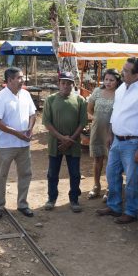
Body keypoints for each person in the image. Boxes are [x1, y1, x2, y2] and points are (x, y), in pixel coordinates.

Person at [96, 57, 138, 224]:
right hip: (117, 139)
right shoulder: (123, 87)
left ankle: (131, 211)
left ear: (136, 75)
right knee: (112, 173)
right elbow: (115, 112)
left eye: (125, 71)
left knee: (132, 179)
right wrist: (110, 133)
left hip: (133, 143)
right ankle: (114, 206)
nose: (121, 72)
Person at [0, 67, 36, 219]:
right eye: (19, 78)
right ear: (9, 80)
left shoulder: (26, 94)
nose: (22, 80)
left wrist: (29, 129)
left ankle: (23, 204)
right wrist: (17, 134)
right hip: (6, 145)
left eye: (22, 77)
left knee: (25, 174)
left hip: (24, 144)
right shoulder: (0, 97)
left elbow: (32, 114)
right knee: (1, 176)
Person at [42, 72, 87, 212]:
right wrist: (62, 138)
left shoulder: (80, 100)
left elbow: (82, 122)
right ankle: (51, 198)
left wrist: (70, 139)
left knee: (75, 173)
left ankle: (74, 199)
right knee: (52, 173)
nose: (66, 86)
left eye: (69, 83)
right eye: (63, 83)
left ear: (73, 85)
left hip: (73, 144)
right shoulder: (50, 100)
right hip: (55, 143)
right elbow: (46, 122)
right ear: (58, 84)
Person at [87, 69, 122, 201]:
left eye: (111, 80)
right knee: (97, 159)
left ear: (117, 81)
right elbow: (89, 109)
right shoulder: (97, 92)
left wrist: (111, 132)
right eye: (106, 79)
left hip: (112, 132)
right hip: (97, 131)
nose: (108, 82)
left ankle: (109, 188)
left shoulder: (120, 94)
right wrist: (93, 118)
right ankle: (96, 186)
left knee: (111, 162)